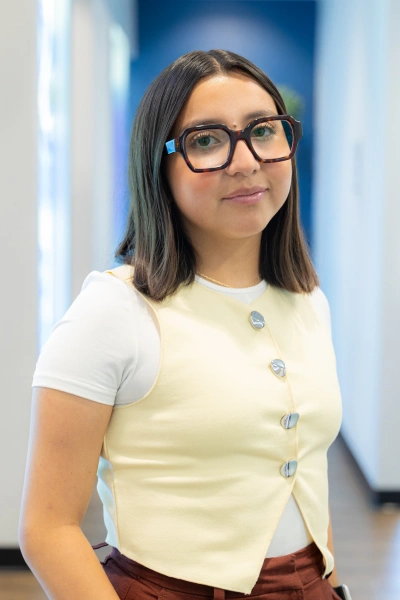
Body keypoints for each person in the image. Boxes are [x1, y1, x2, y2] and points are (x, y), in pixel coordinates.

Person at [19, 49, 346, 600]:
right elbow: (47, 529)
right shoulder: (114, 311)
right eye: (207, 140)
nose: (245, 162)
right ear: (159, 165)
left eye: (263, 131)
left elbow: (306, 469)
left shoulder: (307, 300)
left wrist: (332, 585)